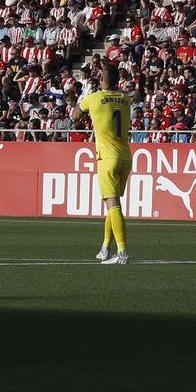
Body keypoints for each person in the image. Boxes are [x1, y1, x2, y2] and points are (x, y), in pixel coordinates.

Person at [77, 65, 133, 265]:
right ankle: (105, 248)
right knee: (113, 203)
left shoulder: (94, 98)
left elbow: (75, 116)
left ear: (102, 80)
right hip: (125, 156)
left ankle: (122, 252)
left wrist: (86, 99)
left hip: (107, 158)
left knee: (113, 204)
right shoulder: (125, 99)